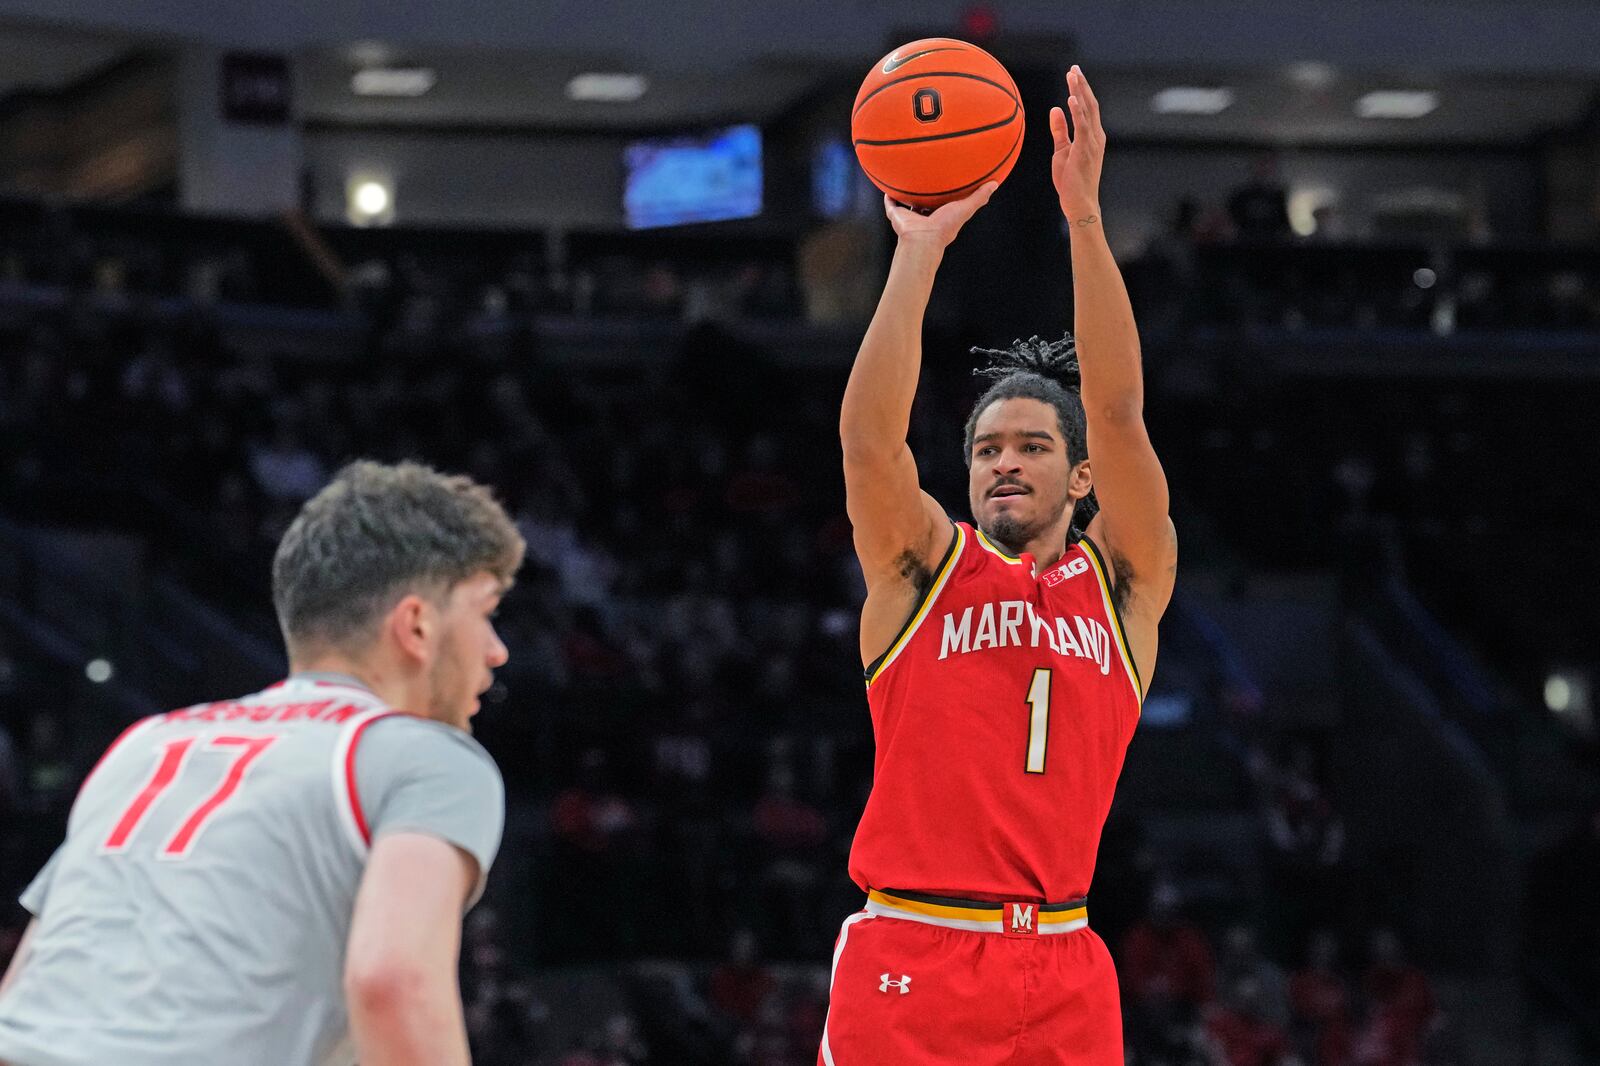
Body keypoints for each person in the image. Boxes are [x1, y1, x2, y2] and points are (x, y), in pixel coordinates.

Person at [820, 65, 1177, 1064]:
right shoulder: (918, 568)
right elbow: (867, 445)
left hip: (1063, 959)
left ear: (1080, 482)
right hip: (914, 949)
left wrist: (1086, 225)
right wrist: (918, 252)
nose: (1003, 461)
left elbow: (1116, 412)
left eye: (1028, 446)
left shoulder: (1124, 583)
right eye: (984, 449)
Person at [0, 460, 525, 1066]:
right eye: (485, 613)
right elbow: (392, 982)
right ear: (415, 625)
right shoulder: (425, 757)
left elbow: (29, 982)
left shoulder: (145, 746)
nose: (496, 650)